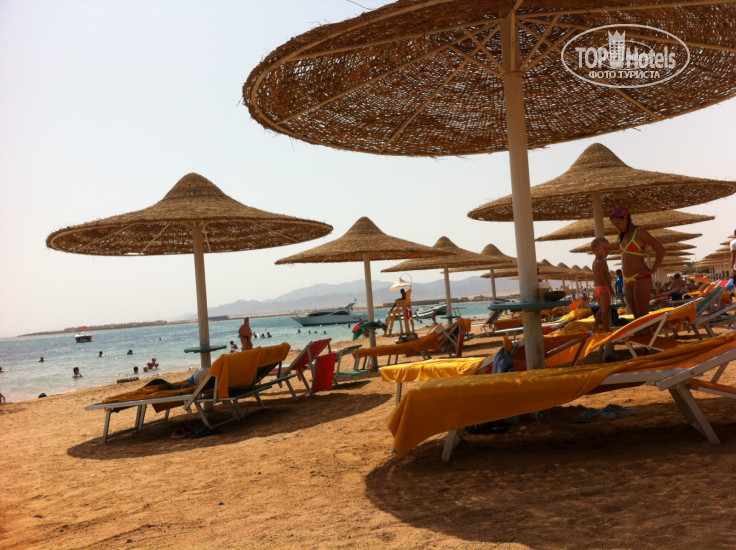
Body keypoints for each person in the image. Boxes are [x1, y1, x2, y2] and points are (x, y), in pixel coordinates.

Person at [609, 207, 665, 319]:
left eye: (618, 223)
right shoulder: (622, 234)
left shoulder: (639, 232)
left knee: (642, 316)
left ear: (625, 218)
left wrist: (653, 270)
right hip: (627, 279)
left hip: (641, 276)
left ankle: (653, 330)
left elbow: (661, 249)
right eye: (614, 225)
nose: (616, 227)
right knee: (637, 317)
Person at [591, 237, 614, 332]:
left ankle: (595, 326)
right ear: (596, 250)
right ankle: (606, 329)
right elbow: (604, 276)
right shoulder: (601, 262)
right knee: (606, 310)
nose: (608, 251)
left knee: (601, 310)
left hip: (597, 289)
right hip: (604, 289)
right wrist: (611, 289)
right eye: (605, 248)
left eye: (608, 248)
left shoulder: (594, 262)